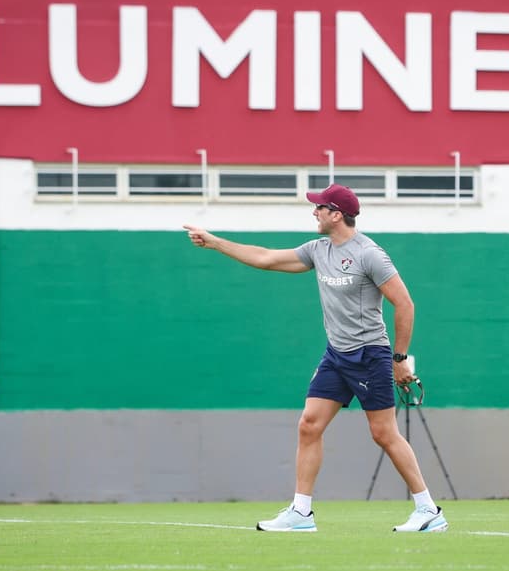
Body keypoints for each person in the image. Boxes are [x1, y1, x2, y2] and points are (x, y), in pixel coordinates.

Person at [183, 184, 447, 533]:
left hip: (371, 355)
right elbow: (265, 258)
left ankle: (429, 511)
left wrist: (399, 359)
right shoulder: (317, 250)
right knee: (309, 424)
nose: (314, 212)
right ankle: (301, 513)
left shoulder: (370, 254)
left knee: (383, 434)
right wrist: (215, 242)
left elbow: (405, 303)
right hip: (336, 355)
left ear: (336, 214)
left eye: (319, 207)